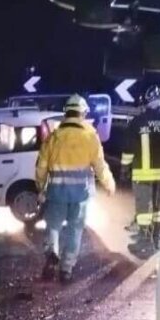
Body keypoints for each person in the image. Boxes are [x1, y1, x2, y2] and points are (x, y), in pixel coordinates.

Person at [35, 94, 116, 283]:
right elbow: (99, 165)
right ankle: (66, 269)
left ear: (66, 113)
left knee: (53, 226)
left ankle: (51, 253)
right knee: (74, 230)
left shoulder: (54, 137)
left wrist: (40, 186)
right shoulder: (90, 135)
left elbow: (41, 165)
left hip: (56, 192)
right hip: (80, 194)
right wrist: (109, 183)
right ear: (82, 113)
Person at [121, 85, 160, 252]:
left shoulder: (138, 121)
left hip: (143, 173)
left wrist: (125, 169)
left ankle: (144, 241)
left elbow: (129, 148)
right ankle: (158, 240)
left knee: (144, 209)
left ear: (146, 101)